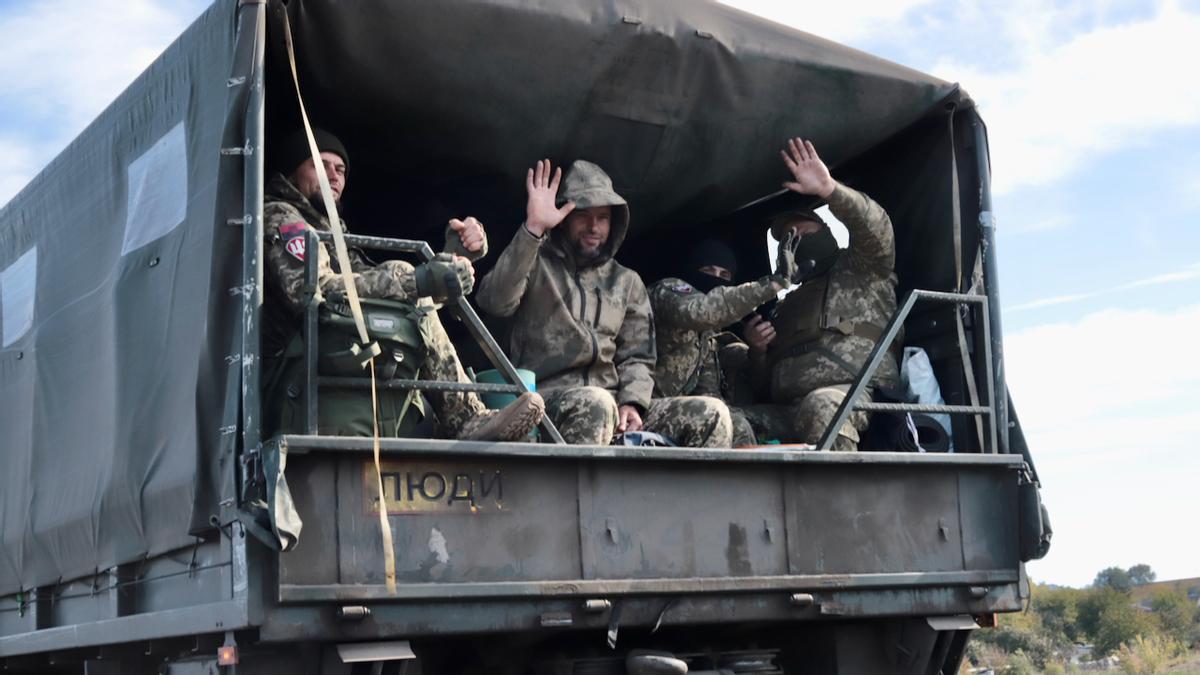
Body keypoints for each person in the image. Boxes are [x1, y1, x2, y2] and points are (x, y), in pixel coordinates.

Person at [261, 128, 543, 441]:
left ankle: (465, 415)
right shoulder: (281, 217)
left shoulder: (333, 232)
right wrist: (418, 279)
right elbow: (312, 291)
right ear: (291, 171)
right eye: (319, 164)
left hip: (326, 363)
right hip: (290, 372)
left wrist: (448, 260)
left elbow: (374, 288)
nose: (333, 176)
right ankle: (463, 417)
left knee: (407, 288)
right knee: (402, 273)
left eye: (340, 169)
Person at [475, 159, 732, 447]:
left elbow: (638, 357)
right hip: (546, 401)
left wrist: (633, 404)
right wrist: (532, 229)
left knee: (712, 414)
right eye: (583, 215)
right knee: (595, 404)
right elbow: (494, 302)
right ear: (564, 217)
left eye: (603, 217)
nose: (593, 227)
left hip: (611, 403)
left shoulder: (626, 281)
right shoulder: (535, 261)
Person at [745, 137, 899, 451]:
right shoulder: (784, 305)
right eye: (789, 237)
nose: (797, 239)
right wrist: (758, 352)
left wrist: (829, 189)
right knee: (734, 420)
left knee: (823, 408)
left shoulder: (863, 268)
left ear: (826, 230)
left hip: (855, 394)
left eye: (805, 231)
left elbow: (876, 226)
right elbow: (761, 385)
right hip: (789, 409)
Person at [647, 239, 794, 446]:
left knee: (737, 423)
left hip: (690, 412)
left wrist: (758, 351)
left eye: (724, 276)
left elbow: (709, 393)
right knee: (715, 414)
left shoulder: (709, 337)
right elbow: (702, 310)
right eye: (708, 270)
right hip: (644, 409)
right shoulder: (668, 291)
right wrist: (771, 285)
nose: (716, 281)